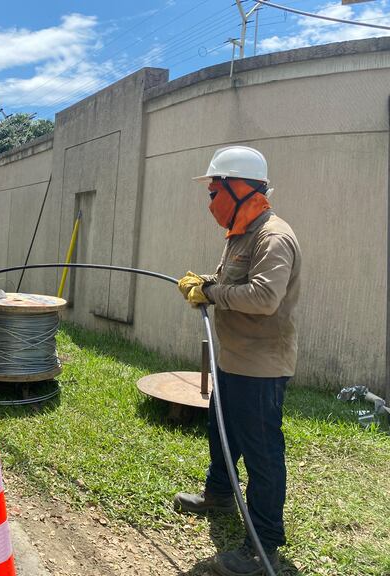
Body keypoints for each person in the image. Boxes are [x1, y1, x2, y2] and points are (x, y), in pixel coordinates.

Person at [173, 146, 301, 576]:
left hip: (261, 367)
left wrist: (211, 294)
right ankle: (219, 494)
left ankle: (263, 546)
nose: (210, 202)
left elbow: (265, 297)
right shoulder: (241, 233)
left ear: (238, 188)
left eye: (214, 192)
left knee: (263, 453)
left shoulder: (273, 236)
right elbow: (232, 283)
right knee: (221, 431)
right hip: (234, 360)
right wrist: (204, 282)